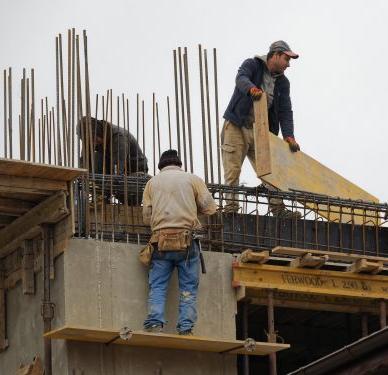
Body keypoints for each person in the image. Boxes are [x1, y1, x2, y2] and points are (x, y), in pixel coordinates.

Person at [222, 40, 301, 218]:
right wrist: (251, 89)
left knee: (269, 171)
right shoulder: (252, 64)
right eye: (286, 59)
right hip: (237, 126)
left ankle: (279, 211)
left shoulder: (283, 83)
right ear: (275, 55)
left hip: (260, 131)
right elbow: (241, 78)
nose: (288, 64)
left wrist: (289, 136)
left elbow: (285, 110)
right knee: (233, 170)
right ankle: (231, 211)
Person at [142, 149, 217, 335]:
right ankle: (185, 329)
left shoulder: (151, 183)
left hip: (160, 242)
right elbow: (210, 208)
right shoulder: (193, 180)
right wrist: (191, 208)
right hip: (186, 242)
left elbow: (146, 217)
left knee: (158, 285)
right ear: (179, 164)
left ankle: (154, 324)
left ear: (161, 166)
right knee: (188, 288)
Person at [77, 116, 149, 204]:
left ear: (99, 132)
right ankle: (101, 195)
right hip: (110, 172)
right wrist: (84, 179)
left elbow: (117, 170)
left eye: (95, 139)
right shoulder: (90, 140)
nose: (93, 143)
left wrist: (103, 191)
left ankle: (105, 194)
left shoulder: (119, 137)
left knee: (122, 182)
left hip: (132, 173)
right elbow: (83, 163)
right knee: (96, 157)